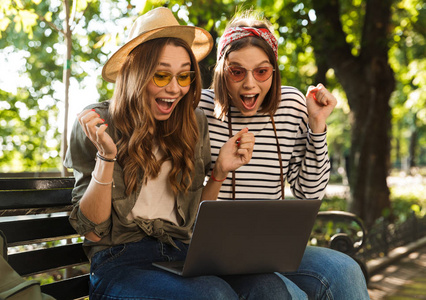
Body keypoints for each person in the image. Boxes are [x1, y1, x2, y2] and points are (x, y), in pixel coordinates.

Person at [64, 7, 294, 300]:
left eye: (184, 76)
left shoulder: (193, 123)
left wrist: (219, 173)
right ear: (136, 73)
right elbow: (93, 233)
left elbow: (196, 223)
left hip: (180, 255)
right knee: (213, 295)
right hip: (120, 263)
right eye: (161, 76)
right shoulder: (98, 123)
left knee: (269, 288)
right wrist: (106, 158)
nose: (174, 89)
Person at [198, 10, 371, 300]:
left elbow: (309, 193)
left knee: (346, 270)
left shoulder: (291, 104)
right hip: (213, 250)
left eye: (262, 71)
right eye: (237, 71)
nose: (250, 84)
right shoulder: (198, 109)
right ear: (221, 70)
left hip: (270, 248)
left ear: (273, 71)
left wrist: (317, 126)